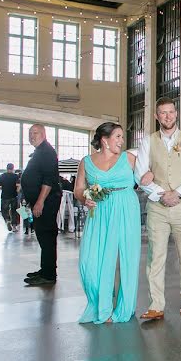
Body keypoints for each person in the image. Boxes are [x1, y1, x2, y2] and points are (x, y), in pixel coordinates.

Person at [134, 97, 181, 320]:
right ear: (156, 116)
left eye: (171, 112)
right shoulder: (148, 142)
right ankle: (156, 304)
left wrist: (178, 193)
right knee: (155, 257)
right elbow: (140, 173)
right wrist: (161, 194)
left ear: (176, 114)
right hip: (157, 208)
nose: (167, 116)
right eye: (163, 113)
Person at [74, 123, 144, 324]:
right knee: (90, 260)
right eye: (118, 137)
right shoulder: (86, 162)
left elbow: (146, 179)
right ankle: (100, 305)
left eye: (122, 137)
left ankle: (124, 307)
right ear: (105, 140)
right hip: (100, 211)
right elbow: (78, 189)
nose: (122, 141)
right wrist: (84, 197)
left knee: (126, 259)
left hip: (125, 208)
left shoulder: (129, 159)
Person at [22, 125, 61, 285]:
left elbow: (48, 179)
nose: (32, 136)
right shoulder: (40, 151)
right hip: (40, 201)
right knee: (43, 237)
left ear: (44, 134)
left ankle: (48, 275)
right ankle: (45, 269)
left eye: (35, 133)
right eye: (30, 133)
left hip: (47, 201)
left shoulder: (47, 152)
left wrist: (40, 201)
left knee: (46, 236)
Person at [0, 163, 20, 232]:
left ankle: (7, 220)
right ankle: (14, 227)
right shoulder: (15, 176)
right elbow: (19, 186)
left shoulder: (1, 176)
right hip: (14, 196)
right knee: (14, 211)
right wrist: (17, 192)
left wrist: (2, 188)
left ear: (6, 168)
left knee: (4, 210)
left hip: (5, 196)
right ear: (13, 168)